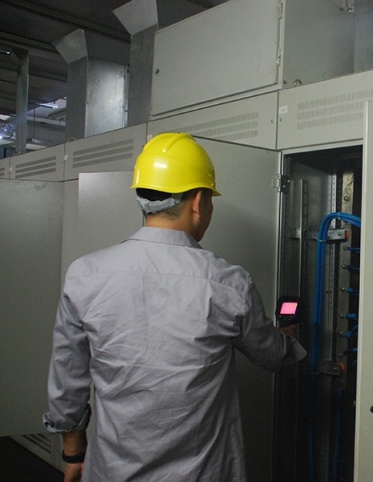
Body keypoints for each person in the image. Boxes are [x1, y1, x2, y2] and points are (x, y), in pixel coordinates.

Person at [43, 132, 306, 482]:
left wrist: (74, 452)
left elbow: (68, 377)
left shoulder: (85, 274)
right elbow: (271, 354)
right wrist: (290, 339)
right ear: (197, 201)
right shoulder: (228, 283)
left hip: (112, 471)